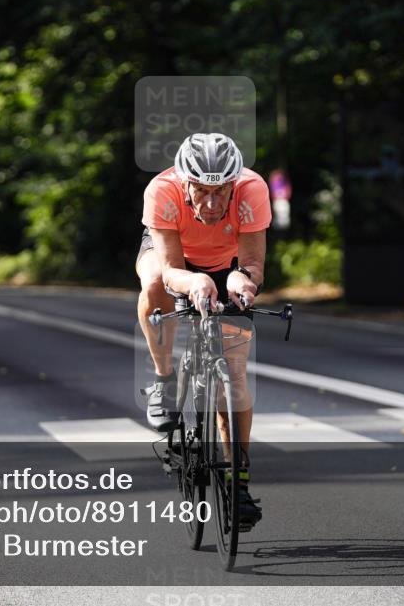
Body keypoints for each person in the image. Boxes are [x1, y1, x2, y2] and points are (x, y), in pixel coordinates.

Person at [136, 132, 271, 527]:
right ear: (185, 184)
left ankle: (238, 481)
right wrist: (194, 282)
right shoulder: (161, 190)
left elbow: (253, 263)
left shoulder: (252, 189)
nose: (212, 205)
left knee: (236, 379)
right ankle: (164, 377)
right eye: (201, 191)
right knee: (154, 285)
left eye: (221, 192)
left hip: (228, 262)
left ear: (234, 184)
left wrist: (243, 281)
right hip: (175, 260)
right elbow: (171, 268)